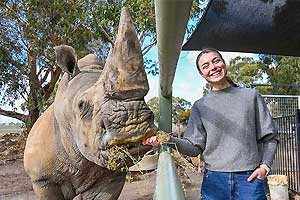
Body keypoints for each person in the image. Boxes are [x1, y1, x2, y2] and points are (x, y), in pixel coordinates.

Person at [142, 48, 279, 200]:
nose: (213, 67)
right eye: (205, 66)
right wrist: (167, 139)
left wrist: (265, 167)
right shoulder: (200, 106)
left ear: (223, 63)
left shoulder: (251, 96)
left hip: (249, 180)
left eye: (216, 61)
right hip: (214, 181)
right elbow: (194, 148)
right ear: (201, 74)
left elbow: (270, 137)